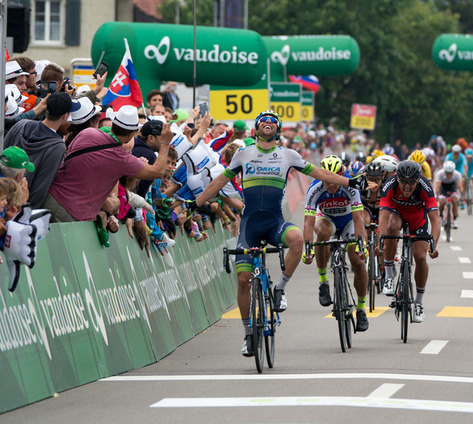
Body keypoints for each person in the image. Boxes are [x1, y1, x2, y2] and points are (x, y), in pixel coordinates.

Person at [191, 110, 367, 357]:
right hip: (249, 226)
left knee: (297, 239)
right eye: (264, 120)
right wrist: (195, 204)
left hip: (274, 223)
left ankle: (280, 289)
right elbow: (218, 183)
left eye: (274, 122)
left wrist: (350, 182)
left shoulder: (288, 155)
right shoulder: (242, 155)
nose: (269, 123)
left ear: (279, 129)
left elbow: (319, 173)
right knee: (243, 280)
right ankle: (248, 334)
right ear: (256, 127)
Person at [43, 105, 173, 222]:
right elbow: (158, 171)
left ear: (114, 124)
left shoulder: (88, 132)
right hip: (70, 212)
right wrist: (165, 143)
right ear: (131, 134)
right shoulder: (123, 159)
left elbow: (69, 155)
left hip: (50, 197)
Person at [302, 155, 369, 332]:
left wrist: (362, 245)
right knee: (322, 233)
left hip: (348, 222)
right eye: (327, 180)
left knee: (359, 263)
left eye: (335, 180)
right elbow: (308, 222)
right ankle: (323, 281)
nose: (331, 185)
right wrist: (307, 249)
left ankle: (361, 309)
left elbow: (359, 219)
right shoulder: (315, 189)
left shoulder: (351, 187)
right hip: (327, 219)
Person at [378, 160, 439, 323]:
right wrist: (380, 242)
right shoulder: (390, 185)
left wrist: (434, 245)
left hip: (417, 218)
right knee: (391, 227)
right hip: (396, 214)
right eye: (403, 181)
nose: (407, 186)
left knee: (420, 257)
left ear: (418, 180)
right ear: (397, 178)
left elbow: (435, 219)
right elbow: (383, 217)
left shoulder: (425, 187)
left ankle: (419, 302)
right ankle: (390, 274)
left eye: (411, 182)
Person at [3, 92, 81, 208]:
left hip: (2, 194)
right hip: (19, 205)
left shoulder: (21, 125)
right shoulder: (58, 147)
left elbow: (2, 155)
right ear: (65, 116)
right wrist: (26, 213)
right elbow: (41, 187)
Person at [434, 160, 464, 228]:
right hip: (443, 188)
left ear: (453, 171)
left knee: (454, 200)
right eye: (447, 173)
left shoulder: (457, 174)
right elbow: (438, 186)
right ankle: (441, 216)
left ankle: (455, 219)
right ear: (444, 170)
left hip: (452, 187)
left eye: (450, 173)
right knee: (442, 202)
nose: (449, 175)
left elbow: (460, 186)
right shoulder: (440, 174)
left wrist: (461, 195)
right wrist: (436, 195)